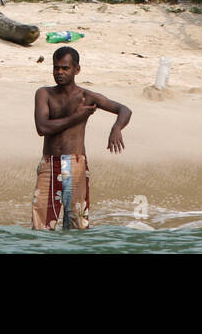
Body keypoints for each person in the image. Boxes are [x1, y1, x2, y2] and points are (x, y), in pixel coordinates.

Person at [31, 45, 132, 231]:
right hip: (49, 164)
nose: (59, 72)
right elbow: (42, 127)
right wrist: (77, 117)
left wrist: (117, 128)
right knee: (41, 228)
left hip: (76, 164)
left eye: (65, 68)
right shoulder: (44, 94)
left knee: (77, 228)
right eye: (56, 67)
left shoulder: (86, 97)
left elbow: (124, 109)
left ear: (76, 69)